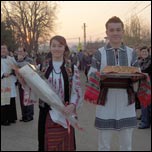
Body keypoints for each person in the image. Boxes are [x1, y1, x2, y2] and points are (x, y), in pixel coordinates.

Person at [87, 16, 139, 151]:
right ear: (107, 33)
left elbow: (137, 72)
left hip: (126, 101)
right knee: (104, 145)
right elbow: (91, 74)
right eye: (112, 30)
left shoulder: (131, 52)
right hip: (106, 101)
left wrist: (136, 76)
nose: (115, 33)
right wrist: (100, 76)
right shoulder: (99, 53)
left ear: (123, 31)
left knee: (126, 145)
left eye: (118, 30)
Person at [38, 35, 82, 151]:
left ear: (64, 48)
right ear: (50, 48)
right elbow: (34, 88)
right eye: (54, 46)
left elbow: (76, 91)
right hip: (47, 112)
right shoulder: (42, 67)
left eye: (60, 46)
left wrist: (72, 105)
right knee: (47, 145)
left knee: (65, 146)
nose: (57, 49)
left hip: (65, 113)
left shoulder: (72, 68)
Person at [15, 47, 34, 122]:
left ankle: (30, 115)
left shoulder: (29, 60)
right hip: (20, 82)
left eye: (21, 51)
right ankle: (24, 115)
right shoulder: (16, 61)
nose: (20, 53)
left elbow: (31, 69)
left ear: (25, 52)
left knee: (28, 99)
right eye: (18, 51)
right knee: (22, 99)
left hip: (28, 83)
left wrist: (21, 61)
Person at [1, 44, 18, 125]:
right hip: (2, 82)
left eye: (4, 48)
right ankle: (4, 120)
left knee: (11, 99)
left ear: (7, 50)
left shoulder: (11, 59)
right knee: (4, 100)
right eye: (1, 49)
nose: (3, 50)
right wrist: (3, 74)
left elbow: (16, 67)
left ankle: (12, 118)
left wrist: (14, 71)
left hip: (10, 81)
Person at [138, 46, 151, 129]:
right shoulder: (141, 61)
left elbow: (143, 70)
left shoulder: (149, 61)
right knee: (145, 103)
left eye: (145, 52)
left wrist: (138, 70)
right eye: (142, 52)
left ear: (148, 52)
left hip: (148, 85)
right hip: (144, 84)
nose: (144, 53)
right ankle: (144, 119)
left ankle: (145, 122)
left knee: (145, 103)